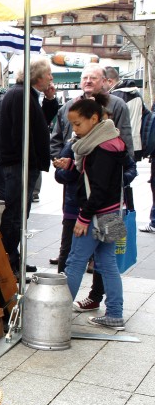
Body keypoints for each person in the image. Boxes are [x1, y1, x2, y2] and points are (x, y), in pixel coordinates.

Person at [53, 94, 127, 329]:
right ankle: (115, 314)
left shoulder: (100, 147)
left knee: (75, 262)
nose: (75, 129)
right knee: (108, 263)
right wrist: (71, 165)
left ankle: (56, 318)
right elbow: (95, 177)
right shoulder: (111, 140)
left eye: (77, 124)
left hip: (97, 214)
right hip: (114, 211)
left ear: (94, 119)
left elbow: (98, 188)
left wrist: (84, 217)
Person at [0, 57, 53, 274]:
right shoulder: (20, 95)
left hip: (23, 163)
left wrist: (50, 99)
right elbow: (21, 134)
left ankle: (14, 257)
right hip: (20, 164)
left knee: (20, 212)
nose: (51, 78)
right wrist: (30, 163)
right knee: (16, 213)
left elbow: (40, 122)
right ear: (38, 76)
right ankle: (8, 260)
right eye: (48, 74)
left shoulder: (26, 94)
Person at [104, 67, 143, 160]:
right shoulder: (137, 94)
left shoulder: (115, 99)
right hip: (137, 143)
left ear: (110, 81)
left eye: (103, 81)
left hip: (120, 145)